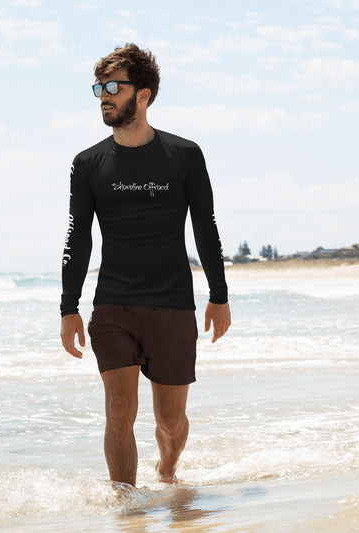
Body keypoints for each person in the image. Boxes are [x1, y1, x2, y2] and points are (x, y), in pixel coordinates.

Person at [60, 43, 231, 488]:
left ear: (144, 94)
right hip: (114, 305)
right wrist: (68, 307)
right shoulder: (87, 163)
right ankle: (126, 508)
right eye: (99, 87)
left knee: (170, 421)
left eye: (114, 86)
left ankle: (169, 470)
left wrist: (219, 295)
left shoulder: (184, 155)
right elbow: (78, 236)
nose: (104, 95)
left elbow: (205, 227)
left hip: (172, 304)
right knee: (119, 409)